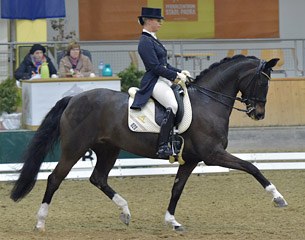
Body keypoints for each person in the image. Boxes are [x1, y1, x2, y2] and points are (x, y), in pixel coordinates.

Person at [130, 7, 191, 158]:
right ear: (149, 21)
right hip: (154, 81)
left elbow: (164, 64)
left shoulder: (153, 39)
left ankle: (176, 136)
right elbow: (154, 67)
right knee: (173, 105)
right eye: (158, 21)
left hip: (163, 78)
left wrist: (179, 72)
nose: (160, 24)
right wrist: (174, 77)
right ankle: (163, 146)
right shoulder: (145, 41)